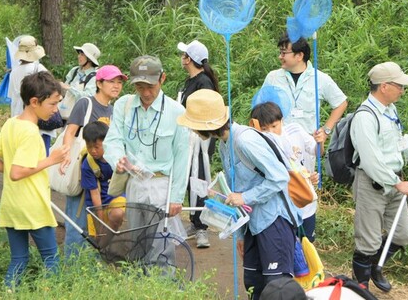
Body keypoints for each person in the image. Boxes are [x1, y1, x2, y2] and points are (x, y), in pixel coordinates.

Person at [177, 89, 302, 300]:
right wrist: (242, 234)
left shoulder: (245, 140)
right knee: (254, 284)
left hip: (274, 220)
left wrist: (244, 198)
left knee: (277, 287)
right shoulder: (225, 145)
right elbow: (236, 191)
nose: (192, 130)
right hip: (252, 224)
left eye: (193, 125)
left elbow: (280, 177)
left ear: (206, 125)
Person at [0, 71, 69, 288]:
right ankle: (48, 294)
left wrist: (12, 170)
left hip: (12, 205)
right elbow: (17, 172)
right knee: (51, 260)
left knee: (19, 259)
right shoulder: (31, 133)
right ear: (34, 102)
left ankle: (8, 293)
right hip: (33, 206)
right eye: (52, 104)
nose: (56, 109)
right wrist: (51, 160)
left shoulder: (12, 123)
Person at [350, 62, 408, 292]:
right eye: (399, 86)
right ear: (384, 86)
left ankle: (376, 265)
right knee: (368, 240)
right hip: (372, 183)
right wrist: (396, 182)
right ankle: (360, 286)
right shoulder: (365, 117)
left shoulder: (390, 110)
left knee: (403, 235)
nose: (403, 91)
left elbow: (392, 143)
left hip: (395, 183)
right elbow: (371, 159)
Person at [102, 55, 190, 243]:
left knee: (161, 244)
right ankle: (140, 272)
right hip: (134, 182)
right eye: (140, 87)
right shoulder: (123, 105)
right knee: (137, 241)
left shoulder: (177, 112)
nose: (146, 93)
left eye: (151, 86)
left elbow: (182, 157)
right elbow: (113, 140)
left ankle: (164, 273)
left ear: (162, 79)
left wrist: (176, 197)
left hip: (161, 185)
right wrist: (117, 160)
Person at [60, 65, 127, 257]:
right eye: (111, 81)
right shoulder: (86, 104)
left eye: (119, 82)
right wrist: (66, 156)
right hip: (84, 170)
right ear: (99, 83)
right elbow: (70, 132)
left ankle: (94, 263)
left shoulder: (114, 110)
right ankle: (71, 265)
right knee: (77, 220)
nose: (116, 86)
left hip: (103, 177)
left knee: (101, 219)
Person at [251, 101, 324, 243]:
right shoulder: (258, 144)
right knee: (288, 249)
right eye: (265, 129)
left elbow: (317, 152)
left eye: (274, 126)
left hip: (305, 203)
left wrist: (320, 142)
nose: (271, 132)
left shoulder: (295, 130)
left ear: (282, 121)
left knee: (307, 246)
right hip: (282, 210)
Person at [263, 33, 347, 144]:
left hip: (307, 146)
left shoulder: (320, 78)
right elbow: (262, 108)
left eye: (284, 53)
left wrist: (326, 131)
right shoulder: (273, 77)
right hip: (279, 143)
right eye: (280, 53)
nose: (280, 57)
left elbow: (341, 103)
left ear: (299, 56)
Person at [178, 39, 219, 248]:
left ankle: (202, 227)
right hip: (188, 139)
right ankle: (194, 221)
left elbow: (206, 112)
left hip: (201, 141)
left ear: (190, 59)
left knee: (200, 180)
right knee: (189, 179)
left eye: (184, 55)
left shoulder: (204, 82)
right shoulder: (189, 82)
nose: (182, 59)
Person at [7, 35, 55, 153]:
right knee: (41, 154)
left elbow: (11, 96)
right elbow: (51, 91)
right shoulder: (39, 68)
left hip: (18, 117)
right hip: (37, 118)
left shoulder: (14, 71)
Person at [81, 121, 125, 245]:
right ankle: (101, 251)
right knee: (97, 237)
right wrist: (99, 220)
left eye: (96, 147)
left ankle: (105, 246)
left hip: (116, 197)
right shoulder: (88, 165)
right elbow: (94, 194)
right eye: (89, 147)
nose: (93, 151)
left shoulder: (117, 157)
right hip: (96, 205)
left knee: (117, 214)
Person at [58, 42, 101, 119]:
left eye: (82, 54)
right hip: (64, 113)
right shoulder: (74, 70)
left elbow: (89, 97)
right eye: (79, 54)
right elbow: (64, 89)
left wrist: (69, 88)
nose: (79, 56)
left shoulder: (95, 76)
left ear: (89, 59)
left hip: (81, 116)